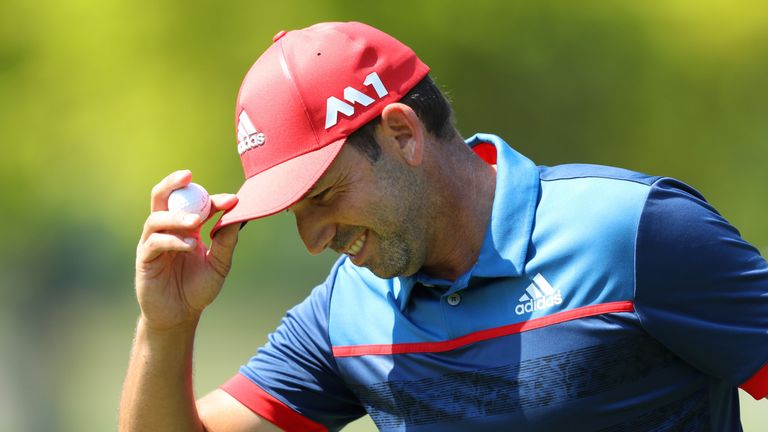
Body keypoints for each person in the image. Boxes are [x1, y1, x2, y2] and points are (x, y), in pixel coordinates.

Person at [119, 21, 768, 432]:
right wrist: (166, 327)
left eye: (324, 196)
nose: (314, 239)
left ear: (402, 133)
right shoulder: (347, 312)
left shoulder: (634, 234)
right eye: (296, 213)